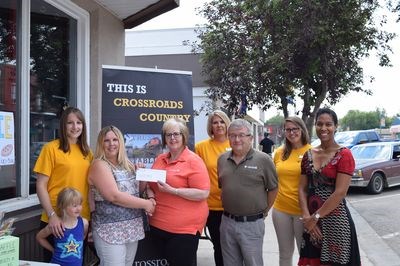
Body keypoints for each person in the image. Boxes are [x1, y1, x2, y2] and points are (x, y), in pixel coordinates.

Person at [298, 108, 361, 266]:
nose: (323, 128)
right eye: (319, 124)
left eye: (328, 124)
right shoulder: (308, 155)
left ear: (336, 126)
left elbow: (340, 193)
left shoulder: (344, 155)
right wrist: (307, 218)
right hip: (312, 221)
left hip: (336, 221)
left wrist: (315, 218)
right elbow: (302, 189)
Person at [88, 125, 156, 266]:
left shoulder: (127, 164)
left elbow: (138, 191)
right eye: (106, 141)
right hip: (109, 231)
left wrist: (142, 176)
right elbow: (114, 196)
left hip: (132, 227)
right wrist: (146, 204)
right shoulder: (99, 165)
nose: (112, 144)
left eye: (115, 139)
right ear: (101, 144)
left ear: (121, 142)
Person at [146, 118, 210, 266]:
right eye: (168, 135)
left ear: (184, 136)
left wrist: (173, 191)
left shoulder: (194, 161)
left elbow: (203, 193)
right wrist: (150, 196)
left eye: (176, 134)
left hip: (184, 230)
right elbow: (151, 185)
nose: (172, 138)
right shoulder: (160, 159)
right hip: (157, 226)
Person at [34, 107, 93, 261]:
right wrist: (52, 215)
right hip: (56, 218)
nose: (75, 127)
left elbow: (91, 188)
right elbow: (41, 185)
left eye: (79, 122)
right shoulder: (51, 149)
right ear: (63, 125)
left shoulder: (88, 152)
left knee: (75, 262)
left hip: (81, 220)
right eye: (70, 123)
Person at [217, 118, 278, 266]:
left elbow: (273, 188)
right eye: (232, 135)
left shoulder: (263, 160)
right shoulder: (222, 159)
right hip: (227, 222)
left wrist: (264, 211)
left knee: (253, 263)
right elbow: (223, 186)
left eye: (241, 135)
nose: (237, 139)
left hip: (251, 224)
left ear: (250, 137)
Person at [272, 117, 311, 266]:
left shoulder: (312, 152)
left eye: (295, 129)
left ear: (302, 129)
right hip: (281, 210)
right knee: (285, 254)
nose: (292, 132)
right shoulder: (279, 153)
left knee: (305, 256)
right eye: (288, 129)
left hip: (303, 212)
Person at [195, 110, 231, 266]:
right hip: (212, 206)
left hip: (234, 205)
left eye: (222, 121)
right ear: (210, 126)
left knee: (234, 247)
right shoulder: (201, 147)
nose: (219, 125)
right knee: (220, 246)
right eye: (215, 122)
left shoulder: (236, 143)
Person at [36, 187, 89, 266]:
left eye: (80, 204)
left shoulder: (84, 223)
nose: (78, 208)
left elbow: (83, 237)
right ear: (63, 206)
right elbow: (39, 237)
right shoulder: (56, 225)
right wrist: (52, 250)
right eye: (74, 205)